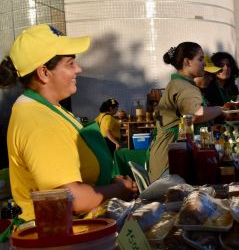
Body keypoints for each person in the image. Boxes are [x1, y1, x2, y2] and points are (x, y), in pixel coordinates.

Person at [0, 24, 137, 221]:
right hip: (57, 241)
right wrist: (118, 190)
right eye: (70, 63)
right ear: (44, 73)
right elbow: (69, 198)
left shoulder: (50, 109)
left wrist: (108, 184)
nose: (79, 69)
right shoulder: (38, 122)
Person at [148, 42, 223, 181]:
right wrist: (223, 109)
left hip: (168, 154)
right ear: (187, 62)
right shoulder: (184, 86)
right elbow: (196, 114)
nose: (204, 65)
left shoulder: (177, 84)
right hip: (172, 161)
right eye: (200, 60)